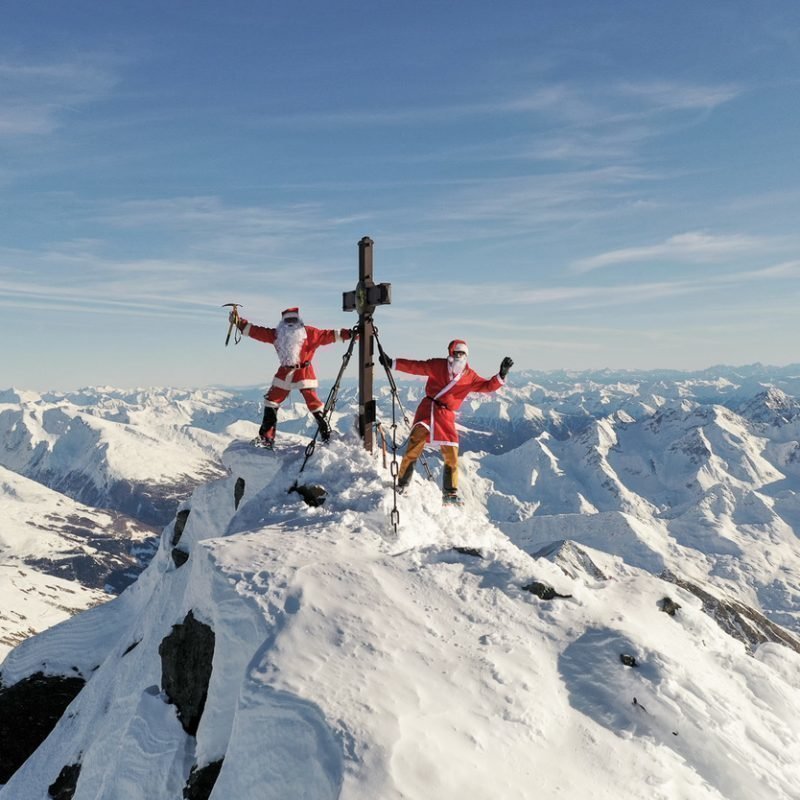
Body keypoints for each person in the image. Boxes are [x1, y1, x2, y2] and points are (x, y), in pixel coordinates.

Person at [380, 340, 513, 504]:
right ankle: (402, 484)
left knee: (451, 453)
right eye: (457, 353)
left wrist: (501, 375)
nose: (459, 356)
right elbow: (417, 367)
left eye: (462, 353)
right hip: (428, 410)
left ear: (466, 355)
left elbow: (486, 387)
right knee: (414, 446)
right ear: (451, 353)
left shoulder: (470, 376)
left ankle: (450, 494)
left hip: (446, 416)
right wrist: (393, 363)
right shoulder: (438, 365)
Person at [232, 307, 355, 448]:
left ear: (298, 321)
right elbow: (257, 331)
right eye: (287, 320)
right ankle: (267, 437)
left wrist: (350, 334)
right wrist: (239, 322)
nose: (290, 323)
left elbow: (329, 335)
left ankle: (327, 434)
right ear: (283, 322)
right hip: (285, 373)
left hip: (304, 372)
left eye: (293, 320)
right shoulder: (277, 335)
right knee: (271, 401)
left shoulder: (309, 333)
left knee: (313, 403)